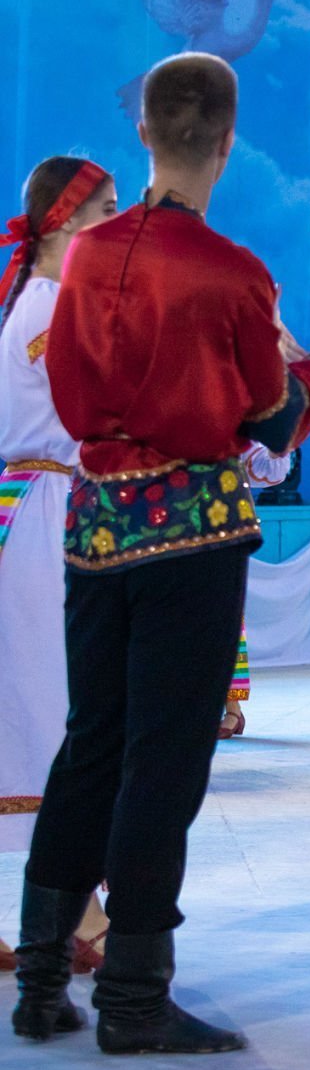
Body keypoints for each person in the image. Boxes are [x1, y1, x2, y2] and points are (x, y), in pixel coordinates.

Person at [19, 52, 310, 1054]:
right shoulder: (234, 274)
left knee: (91, 743)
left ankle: (40, 980)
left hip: (93, 524)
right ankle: (134, 995)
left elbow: (72, 391)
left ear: (144, 134)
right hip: (190, 534)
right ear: (228, 146)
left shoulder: (84, 260)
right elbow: (271, 422)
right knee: (164, 759)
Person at [0, 157, 120, 983]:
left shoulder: (33, 302)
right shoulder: (49, 307)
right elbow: (91, 416)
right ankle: (83, 915)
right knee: (54, 705)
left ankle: (65, 909)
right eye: (106, 209)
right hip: (47, 514)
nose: (115, 222)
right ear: (69, 221)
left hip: (38, 507)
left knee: (35, 701)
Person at [219, 442, 293, 739]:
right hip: (163, 523)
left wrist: (280, 442)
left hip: (217, 523)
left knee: (220, 616)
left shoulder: (229, 425)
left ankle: (232, 709)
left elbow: (266, 468)